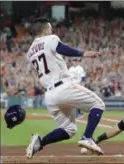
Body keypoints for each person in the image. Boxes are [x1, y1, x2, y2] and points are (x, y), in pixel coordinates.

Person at [25, 17, 105, 159]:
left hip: (50, 96)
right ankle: (87, 137)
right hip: (63, 87)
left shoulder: (30, 51)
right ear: (44, 29)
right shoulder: (50, 38)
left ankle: (40, 142)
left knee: (69, 129)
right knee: (98, 104)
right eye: (49, 27)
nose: (52, 30)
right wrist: (83, 53)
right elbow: (62, 48)